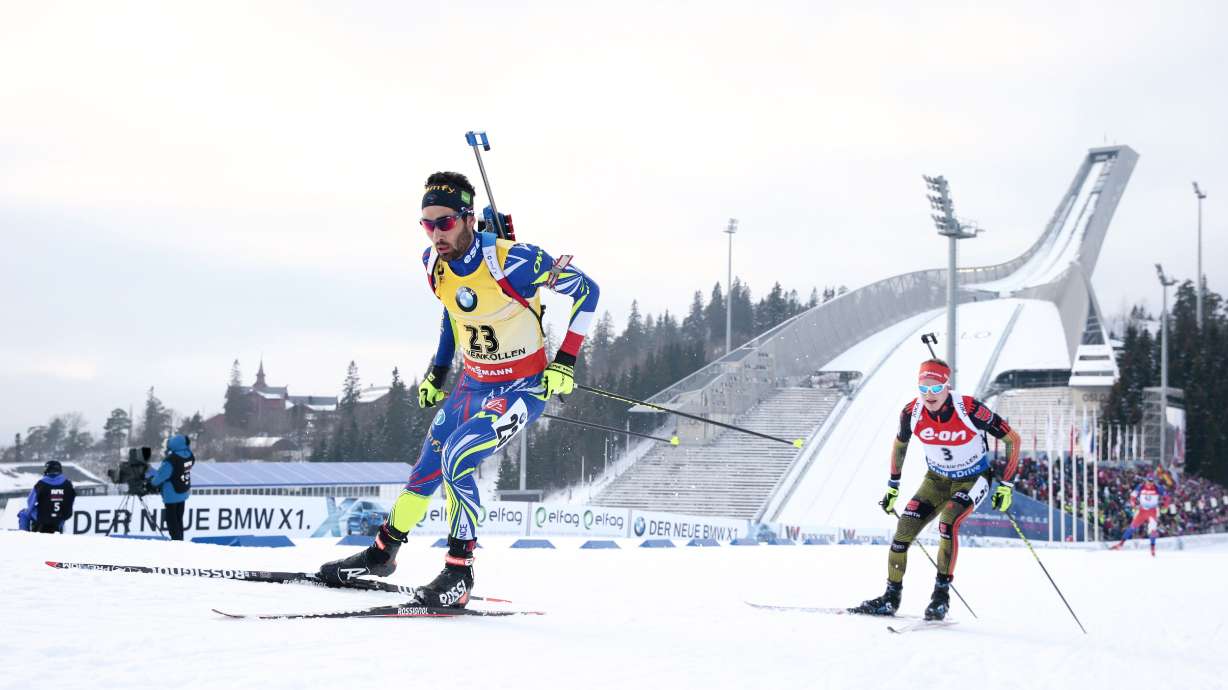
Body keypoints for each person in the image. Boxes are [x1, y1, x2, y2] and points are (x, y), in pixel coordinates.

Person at [319, 171, 600, 608]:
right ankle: (380, 556)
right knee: (424, 472)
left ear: (469, 218)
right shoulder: (434, 265)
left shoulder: (515, 261)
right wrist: (438, 369)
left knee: (459, 456)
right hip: (472, 384)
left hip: (522, 385)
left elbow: (588, 290)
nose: (435, 234)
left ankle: (458, 572)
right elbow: (455, 313)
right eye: (426, 224)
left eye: (445, 222)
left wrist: (565, 360)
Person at [852, 358, 1020, 620]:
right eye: (924, 387)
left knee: (948, 523)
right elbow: (899, 445)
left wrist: (1007, 484)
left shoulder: (969, 409)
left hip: (973, 478)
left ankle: (940, 597)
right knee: (903, 531)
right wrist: (893, 486)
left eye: (936, 387)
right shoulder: (912, 412)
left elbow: (1012, 438)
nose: (929, 395)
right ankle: (890, 597)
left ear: (946, 386)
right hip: (936, 481)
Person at [146, 435, 195, 540]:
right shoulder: (189, 455)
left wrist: (151, 484)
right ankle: (180, 539)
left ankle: (176, 541)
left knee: (172, 520)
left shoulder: (172, 460)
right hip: (183, 491)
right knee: (179, 519)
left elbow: (161, 476)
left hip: (171, 494)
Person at [1110, 472, 1168, 556]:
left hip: (1152, 511)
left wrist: (1165, 506)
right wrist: (1133, 504)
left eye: (1152, 481)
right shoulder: (1140, 487)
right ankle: (1120, 544)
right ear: (1146, 480)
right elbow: (1132, 496)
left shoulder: (1158, 488)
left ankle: (1152, 549)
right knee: (1132, 527)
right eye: (1148, 481)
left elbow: (1167, 497)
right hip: (1142, 511)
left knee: (1152, 530)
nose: (1150, 483)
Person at [26, 460, 76, 534]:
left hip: (43, 517)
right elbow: (71, 502)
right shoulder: (68, 484)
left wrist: (30, 512)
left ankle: (24, 536)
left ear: (46, 470)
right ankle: (59, 530)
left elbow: (30, 502)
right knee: (59, 518)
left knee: (23, 514)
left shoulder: (41, 483)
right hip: (60, 518)